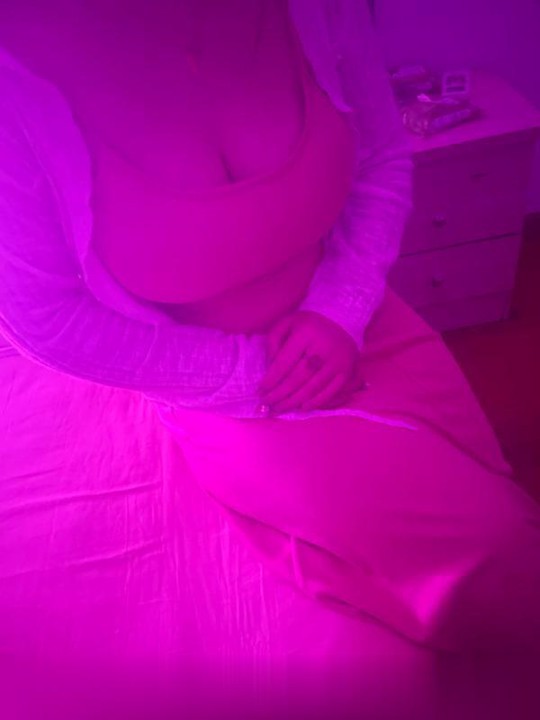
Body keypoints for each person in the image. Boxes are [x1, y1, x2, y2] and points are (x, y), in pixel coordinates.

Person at [1, 0, 540, 714]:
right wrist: (247, 374)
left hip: (364, 325)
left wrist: (339, 313)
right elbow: (45, 318)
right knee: (494, 557)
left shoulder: (320, 10)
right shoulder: (18, 78)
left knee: (498, 507)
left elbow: (380, 158)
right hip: (224, 389)